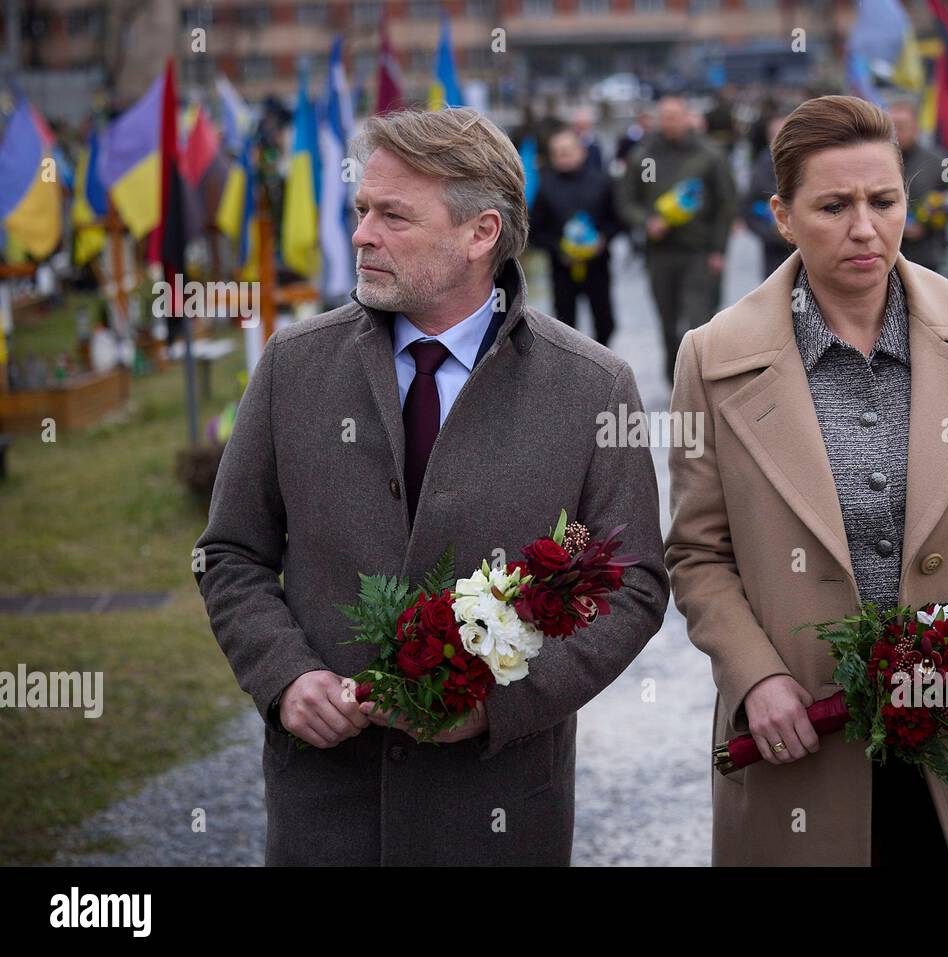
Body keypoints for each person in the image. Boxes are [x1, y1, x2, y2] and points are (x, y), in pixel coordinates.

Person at [194, 107, 669, 866]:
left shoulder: (591, 386)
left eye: (393, 216)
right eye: (360, 210)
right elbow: (229, 554)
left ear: (480, 233)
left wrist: (497, 705)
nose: (360, 235)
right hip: (326, 807)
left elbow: (635, 585)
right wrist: (286, 676)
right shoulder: (294, 364)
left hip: (499, 807)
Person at [664, 95, 948, 866]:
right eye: (833, 205)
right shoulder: (712, 358)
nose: (864, 227)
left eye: (883, 200)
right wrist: (756, 678)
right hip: (802, 737)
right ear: (782, 215)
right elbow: (697, 554)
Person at [615, 94, 736, 383]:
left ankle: (703, 381)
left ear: (687, 117)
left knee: (698, 320)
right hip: (660, 253)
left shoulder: (709, 156)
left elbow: (726, 203)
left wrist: (719, 249)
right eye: (664, 117)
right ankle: (675, 380)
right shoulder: (644, 157)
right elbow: (626, 200)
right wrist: (646, 222)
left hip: (700, 250)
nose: (670, 122)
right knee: (668, 321)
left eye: (675, 116)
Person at [529, 126, 621, 345]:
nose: (563, 157)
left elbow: (617, 221)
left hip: (597, 265)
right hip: (562, 268)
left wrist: (602, 239)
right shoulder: (545, 187)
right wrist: (558, 248)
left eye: (567, 151)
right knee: (563, 326)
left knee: (605, 322)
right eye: (557, 153)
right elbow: (534, 231)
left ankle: (602, 365)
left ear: (581, 152)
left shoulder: (601, 182)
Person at [889, 97, 948, 272]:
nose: (896, 134)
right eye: (891, 128)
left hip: (928, 255)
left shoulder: (944, 161)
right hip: (888, 256)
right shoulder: (875, 163)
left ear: (915, 127)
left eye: (901, 127)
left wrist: (927, 224)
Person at [742, 112, 793, 278]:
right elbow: (748, 207)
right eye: (775, 135)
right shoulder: (761, 166)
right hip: (774, 250)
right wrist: (772, 234)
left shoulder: (812, 164)